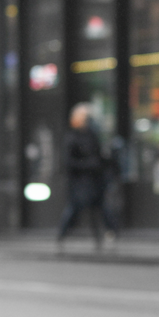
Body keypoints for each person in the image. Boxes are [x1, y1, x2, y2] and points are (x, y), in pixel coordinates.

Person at [57, 103, 118, 247]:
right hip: (80, 182)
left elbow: (99, 155)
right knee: (74, 209)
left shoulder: (92, 134)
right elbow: (69, 162)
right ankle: (61, 236)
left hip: (95, 180)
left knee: (99, 208)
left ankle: (104, 237)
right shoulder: (72, 137)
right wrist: (89, 164)